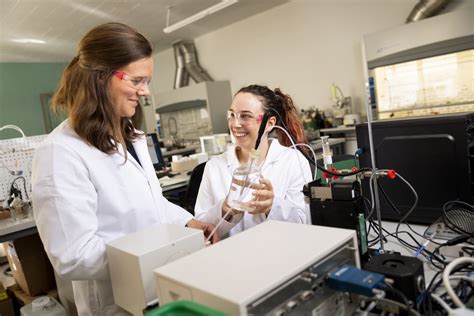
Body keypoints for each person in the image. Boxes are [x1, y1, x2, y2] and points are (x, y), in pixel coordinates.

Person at [31, 22, 219, 316]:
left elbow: (152, 203)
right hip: (115, 302)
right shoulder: (61, 152)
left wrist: (187, 224)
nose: (145, 92)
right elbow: (73, 256)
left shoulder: (128, 136)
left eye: (147, 82)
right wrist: (168, 249)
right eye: (136, 81)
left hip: (159, 286)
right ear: (100, 77)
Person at [194, 84, 312, 238]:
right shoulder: (214, 167)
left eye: (246, 116)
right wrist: (225, 208)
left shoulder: (293, 161)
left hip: (280, 255)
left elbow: (305, 224)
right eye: (232, 115)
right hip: (231, 257)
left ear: (269, 123)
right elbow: (200, 230)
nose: (235, 124)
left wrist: (272, 206)